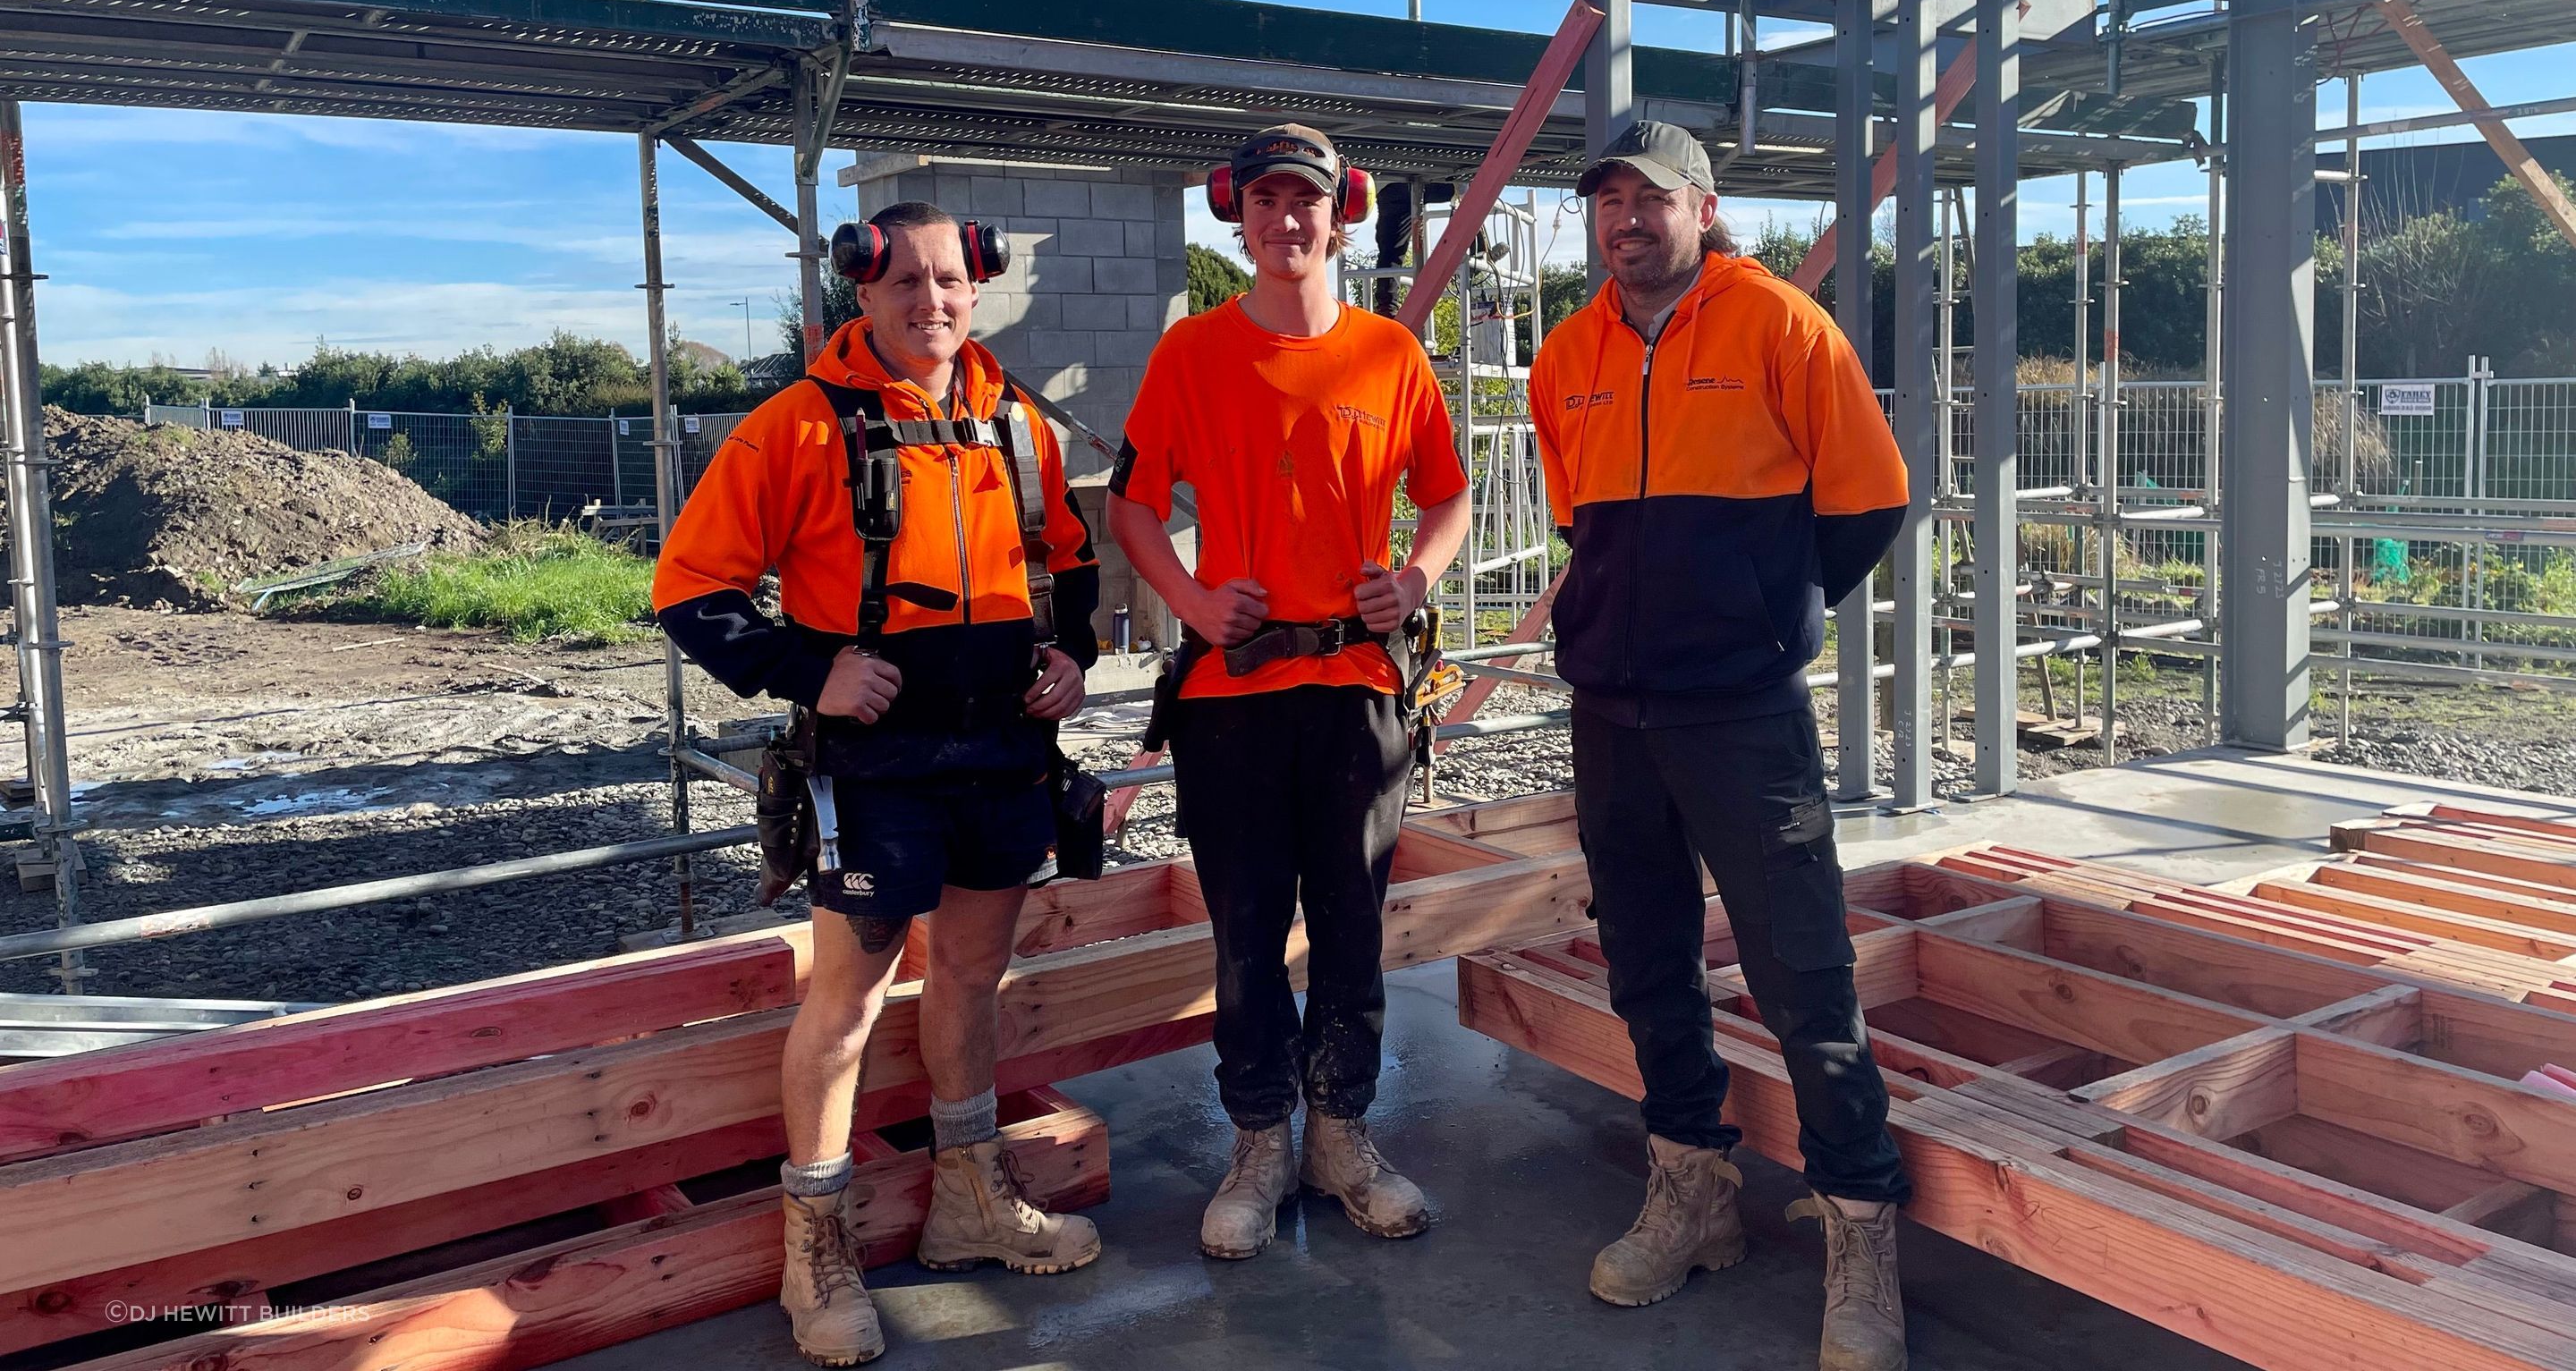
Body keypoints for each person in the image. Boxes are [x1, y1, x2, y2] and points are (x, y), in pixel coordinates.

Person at [653, 202, 1105, 1367]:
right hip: (876, 768)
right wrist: (810, 670)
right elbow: (691, 590)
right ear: (862, 287)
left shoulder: (1015, 421)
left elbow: (1071, 556)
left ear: (978, 284)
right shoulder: (797, 429)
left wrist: (1071, 657)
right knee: (845, 1004)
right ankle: (819, 1246)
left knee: (970, 975)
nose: (930, 302)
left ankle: (970, 1200)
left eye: (950, 280)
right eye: (902, 280)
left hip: (1004, 754)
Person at [1530, 121, 1912, 1371]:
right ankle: (1692, 1189)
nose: (1627, 221)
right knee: (1645, 961)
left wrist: (1759, 619)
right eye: (1608, 203)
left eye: (1650, 199)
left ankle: (1861, 1234)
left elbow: (1870, 501)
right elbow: (1579, 524)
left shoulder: (1782, 328)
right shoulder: (1569, 354)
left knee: (1805, 973)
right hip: (1612, 712)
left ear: (1703, 206)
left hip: (1741, 714)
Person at [1105, 123, 1471, 1261]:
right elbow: (1130, 504)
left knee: (1354, 923)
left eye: (1304, 201)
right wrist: (1193, 601)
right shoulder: (1191, 354)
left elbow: (1447, 496)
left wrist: (1413, 576)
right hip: (1234, 691)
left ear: (1342, 210)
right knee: (1247, 926)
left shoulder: (1390, 354)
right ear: (1239, 214)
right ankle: (1260, 1139)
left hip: (1357, 686)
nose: (1285, 221)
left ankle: (1342, 1135)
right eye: (1264, 202)